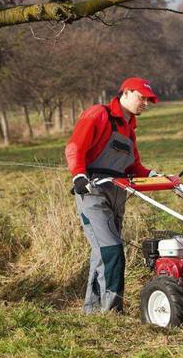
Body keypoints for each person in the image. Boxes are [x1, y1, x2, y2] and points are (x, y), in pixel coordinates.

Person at [65, 77, 159, 313]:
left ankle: (93, 309)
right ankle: (112, 310)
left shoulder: (129, 128)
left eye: (148, 100)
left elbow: (133, 166)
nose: (145, 104)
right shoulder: (98, 114)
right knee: (112, 248)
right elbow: (75, 146)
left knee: (102, 252)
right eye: (142, 98)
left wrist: (155, 176)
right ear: (125, 93)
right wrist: (78, 175)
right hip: (93, 191)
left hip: (117, 193)